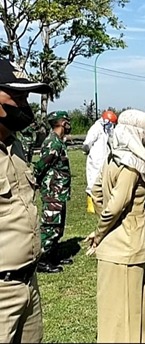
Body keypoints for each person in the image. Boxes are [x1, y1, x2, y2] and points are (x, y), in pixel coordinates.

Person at [84, 109, 145, 343]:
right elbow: (117, 205)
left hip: (116, 246)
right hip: (126, 248)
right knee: (124, 311)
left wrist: (106, 227)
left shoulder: (113, 157)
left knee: (124, 305)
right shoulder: (131, 164)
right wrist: (100, 232)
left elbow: (97, 193)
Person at [0, 58, 51, 344]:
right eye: (16, 96)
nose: (24, 105)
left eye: (26, 97)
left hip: (28, 283)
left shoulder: (15, 144)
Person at [33, 110, 72, 273]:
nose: (69, 124)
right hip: (52, 191)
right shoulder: (53, 143)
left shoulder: (58, 141)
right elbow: (41, 166)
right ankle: (41, 260)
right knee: (50, 225)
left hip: (59, 191)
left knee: (58, 225)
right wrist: (34, 182)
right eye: (67, 121)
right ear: (62, 123)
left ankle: (52, 255)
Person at [83, 110, 117, 214]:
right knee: (93, 179)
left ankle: (100, 201)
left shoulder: (107, 130)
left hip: (104, 158)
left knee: (102, 180)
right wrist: (87, 151)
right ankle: (90, 203)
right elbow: (87, 143)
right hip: (95, 158)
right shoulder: (96, 128)